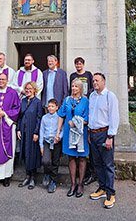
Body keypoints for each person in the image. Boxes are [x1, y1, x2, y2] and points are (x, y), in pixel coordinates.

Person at [88, 73, 119, 209]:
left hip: (104, 134)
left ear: (103, 82)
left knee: (108, 165)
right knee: (97, 164)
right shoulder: (92, 96)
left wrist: (110, 137)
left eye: (97, 80)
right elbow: (91, 116)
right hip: (93, 134)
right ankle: (102, 188)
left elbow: (114, 117)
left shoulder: (109, 96)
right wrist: (89, 132)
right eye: (93, 80)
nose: (94, 82)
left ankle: (111, 193)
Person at [57, 79, 90, 198]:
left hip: (81, 133)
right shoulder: (67, 100)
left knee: (81, 158)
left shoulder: (85, 101)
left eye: (76, 86)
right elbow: (61, 115)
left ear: (80, 88)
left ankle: (80, 184)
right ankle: (73, 184)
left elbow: (87, 119)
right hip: (68, 133)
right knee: (71, 157)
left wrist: (76, 123)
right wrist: (58, 131)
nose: (74, 88)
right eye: (73, 86)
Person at [69, 57, 95, 185]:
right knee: (73, 154)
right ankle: (76, 181)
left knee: (83, 152)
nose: (78, 65)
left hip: (84, 102)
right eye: (76, 64)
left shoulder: (88, 74)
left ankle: (86, 175)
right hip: (75, 103)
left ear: (83, 64)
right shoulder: (73, 75)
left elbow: (90, 88)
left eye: (80, 63)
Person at [17, 82, 44, 190]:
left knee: (32, 154)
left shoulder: (37, 102)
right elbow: (19, 116)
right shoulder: (23, 101)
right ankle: (27, 176)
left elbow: (39, 118)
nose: (28, 90)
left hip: (32, 131)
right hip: (23, 131)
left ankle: (33, 177)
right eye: (26, 88)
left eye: (30, 88)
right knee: (25, 153)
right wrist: (18, 129)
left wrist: (36, 132)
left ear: (34, 90)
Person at [40, 98, 62, 193]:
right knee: (46, 160)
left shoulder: (59, 117)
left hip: (56, 142)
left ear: (57, 107)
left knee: (55, 162)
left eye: (52, 106)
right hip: (46, 142)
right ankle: (47, 173)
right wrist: (41, 145)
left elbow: (62, 129)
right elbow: (41, 131)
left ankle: (53, 181)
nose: (50, 108)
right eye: (49, 106)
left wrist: (59, 137)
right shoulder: (44, 118)